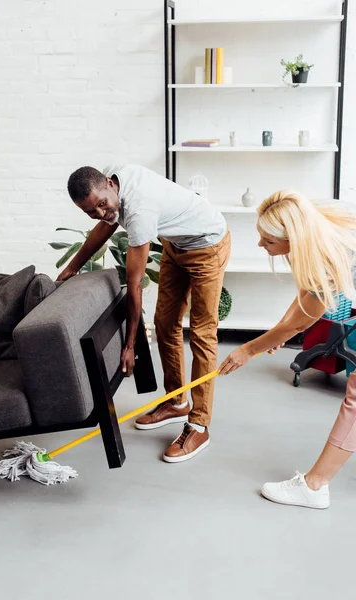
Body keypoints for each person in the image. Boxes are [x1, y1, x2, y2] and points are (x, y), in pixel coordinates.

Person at [58, 164, 231, 462]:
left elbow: (135, 283)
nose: (100, 213)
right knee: (165, 324)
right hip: (176, 245)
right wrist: (73, 266)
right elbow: (106, 224)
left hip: (207, 245)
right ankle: (177, 402)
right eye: (90, 212)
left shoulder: (139, 210)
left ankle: (199, 425)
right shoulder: (109, 182)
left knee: (202, 333)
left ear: (111, 185)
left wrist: (130, 346)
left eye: (102, 205)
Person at [218, 189, 356, 509]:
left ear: (291, 238)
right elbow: (304, 301)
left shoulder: (326, 258)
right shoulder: (315, 216)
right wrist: (282, 326)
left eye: (267, 241)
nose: (260, 245)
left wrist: (247, 350)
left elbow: (300, 322)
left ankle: (314, 486)